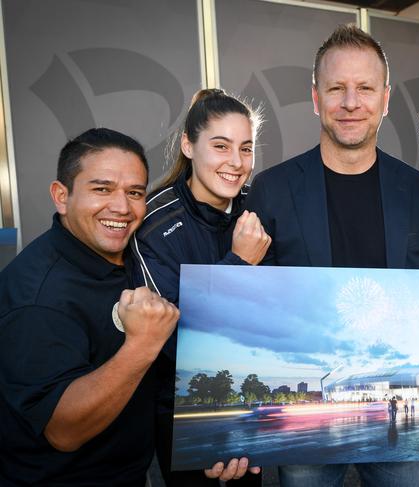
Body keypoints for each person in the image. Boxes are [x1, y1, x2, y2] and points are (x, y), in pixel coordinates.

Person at [246, 24, 419, 487]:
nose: (351, 102)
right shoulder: (272, 190)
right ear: (316, 97)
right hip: (310, 416)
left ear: (386, 97)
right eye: (337, 88)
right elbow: (255, 303)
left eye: (364, 88)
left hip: (400, 415)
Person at [0, 128, 179, 485]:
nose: (121, 207)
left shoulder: (134, 255)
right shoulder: (36, 298)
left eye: (134, 193)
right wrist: (142, 344)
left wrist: (215, 443)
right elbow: (63, 430)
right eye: (102, 189)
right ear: (61, 196)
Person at [131, 89, 270, 486]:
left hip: (249, 393)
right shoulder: (154, 226)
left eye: (246, 148)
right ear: (188, 146)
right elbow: (172, 338)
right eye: (221, 146)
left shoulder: (257, 211)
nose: (236, 162)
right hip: (181, 403)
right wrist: (239, 263)